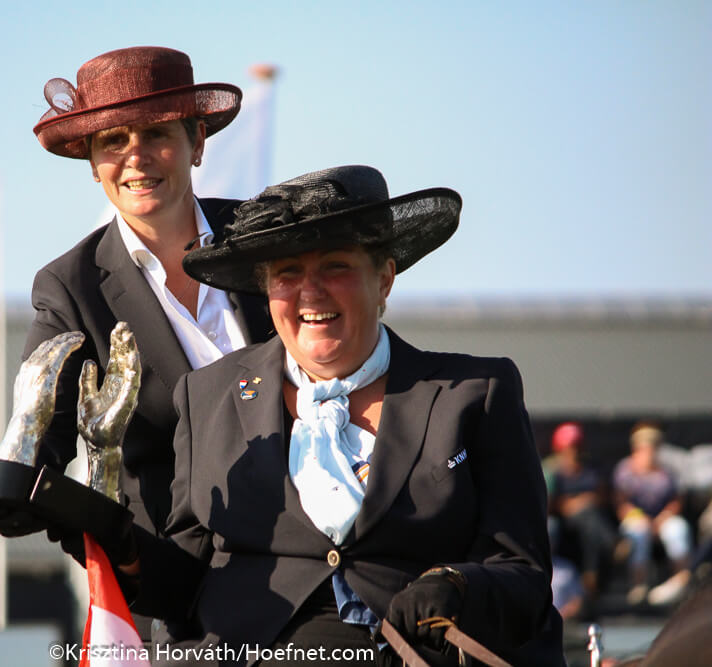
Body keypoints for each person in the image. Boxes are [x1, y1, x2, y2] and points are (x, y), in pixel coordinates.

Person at [115, 166, 563, 665]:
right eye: (287, 273)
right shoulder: (207, 397)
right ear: (267, 290)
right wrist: (119, 544)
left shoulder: (475, 393)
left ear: (384, 279)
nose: (311, 292)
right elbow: (183, 582)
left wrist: (457, 585)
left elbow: (522, 572)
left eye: (335, 266)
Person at [0, 46, 273, 638]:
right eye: (113, 140)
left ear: (198, 141)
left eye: (157, 132)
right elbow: (36, 453)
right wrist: (21, 469)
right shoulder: (72, 287)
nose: (136, 156)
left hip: (312, 575)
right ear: (92, 162)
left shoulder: (268, 239)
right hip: (182, 601)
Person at [613, 421, 692, 605]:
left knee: (678, 529)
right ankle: (639, 584)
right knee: (638, 532)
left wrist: (664, 517)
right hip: (636, 518)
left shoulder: (668, 470)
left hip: (662, 518)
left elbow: (677, 499)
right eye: (645, 447)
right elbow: (620, 503)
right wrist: (641, 519)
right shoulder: (625, 470)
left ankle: (680, 580)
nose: (649, 452)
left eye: (653, 447)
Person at [547, 421, 618, 598]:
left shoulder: (590, 470)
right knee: (589, 517)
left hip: (589, 523)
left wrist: (584, 502)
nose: (573, 453)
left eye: (576, 447)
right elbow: (554, 505)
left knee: (591, 522)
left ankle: (592, 574)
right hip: (565, 522)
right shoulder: (553, 472)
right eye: (569, 448)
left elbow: (601, 496)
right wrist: (581, 502)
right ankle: (612, 544)